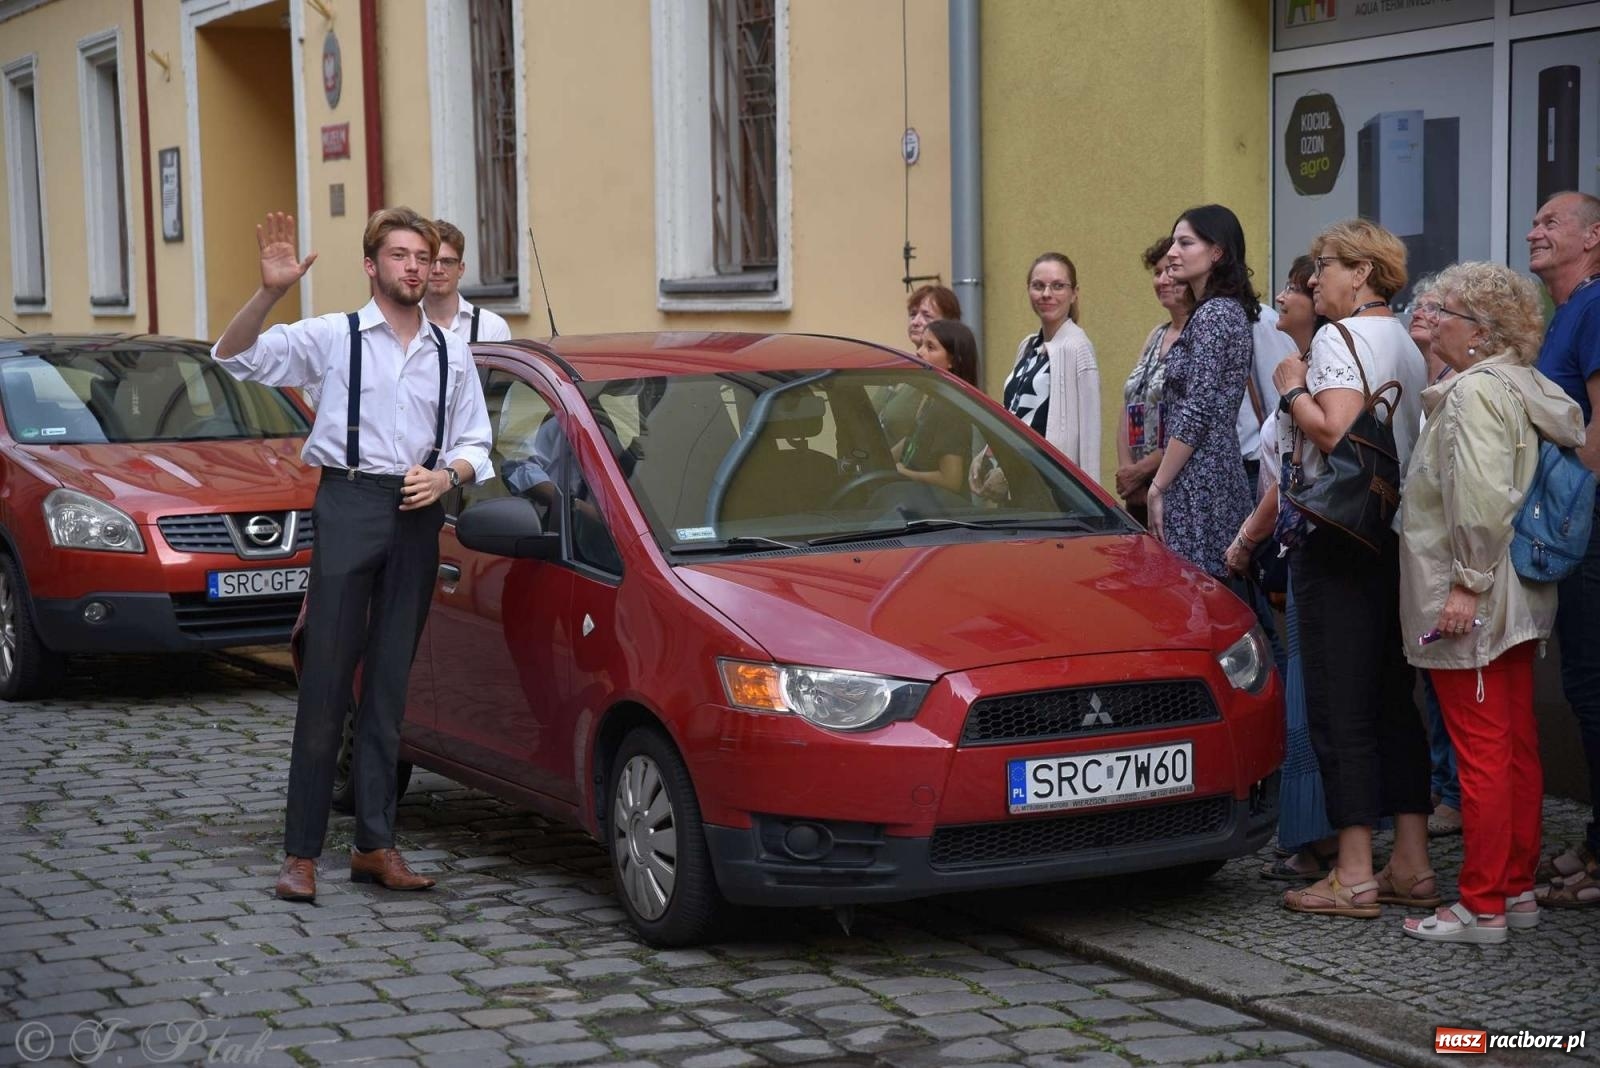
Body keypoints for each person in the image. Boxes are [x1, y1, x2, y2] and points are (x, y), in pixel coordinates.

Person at [213, 209, 492, 902]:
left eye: (422, 257)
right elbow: (235, 356)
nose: (412, 267)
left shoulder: (452, 350)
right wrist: (270, 291)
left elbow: (478, 442)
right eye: (398, 255)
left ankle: (375, 844)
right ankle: (300, 854)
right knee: (328, 684)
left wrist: (448, 476)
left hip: (417, 513)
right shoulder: (334, 337)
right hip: (347, 504)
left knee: (389, 686)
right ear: (373, 266)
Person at [1398, 261, 1584, 943]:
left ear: (1478, 331)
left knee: (1482, 754)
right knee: (1511, 747)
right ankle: (1513, 891)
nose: (1430, 318)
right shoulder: (1519, 385)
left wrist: (1464, 586)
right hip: (1517, 597)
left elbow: (1479, 501)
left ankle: (1480, 908)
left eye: (1441, 310)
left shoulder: (1475, 393)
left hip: (1476, 597)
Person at [1273, 218, 1431, 920]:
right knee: (1395, 701)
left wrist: (1288, 389)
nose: (1312, 278)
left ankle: (1356, 873)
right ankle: (1412, 863)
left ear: (1361, 272)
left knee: (1343, 704)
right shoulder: (1405, 340)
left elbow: (1334, 430)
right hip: (1395, 536)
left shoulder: (1337, 340)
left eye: (1325, 265)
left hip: (1340, 536)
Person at [1227, 255, 1337, 882]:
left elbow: (1293, 475)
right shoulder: (1298, 364)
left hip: (1311, 547)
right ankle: (1314, 834)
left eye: (1296, 288)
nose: (1287, 296)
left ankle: (1315, 838)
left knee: (1309, 695)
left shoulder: (1318, 368)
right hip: (1300, 547)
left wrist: (1245, 540)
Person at [1528, 191, 1600, 906]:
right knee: (1584, 684)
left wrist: (1572, 517)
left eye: (1551, 223)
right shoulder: (1564, 313)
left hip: (1587, 527)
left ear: (1593, 236)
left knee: (1592, 685)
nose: (1533, 231)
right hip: (1572, 526)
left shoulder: (1596, 305)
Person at [1147, 205, 1257, 581]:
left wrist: (1157, 485)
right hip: (1208, 472)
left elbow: (1197, 410)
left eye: (1185, 242)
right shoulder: (1216, 312)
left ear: (1217, 252)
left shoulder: (1214, 315)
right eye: (1173, 241)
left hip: (1201, 481)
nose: (1173, 252)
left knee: (1201, 599)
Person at [1406, 281, 1463, 840]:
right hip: (1423, 552)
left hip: (1454, 557)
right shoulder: (1426, 377)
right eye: (1418, 303)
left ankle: (1455, 794)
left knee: (1450, 674)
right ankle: (1444, 781)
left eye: (1436, 306)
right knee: (1432, 678)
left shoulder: (1458, 386)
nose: (1423, 312)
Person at [981, 253, 1100, 487]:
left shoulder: (1077, 347)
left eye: (1058, 286)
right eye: (1038, 286)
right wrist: (988, 455)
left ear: (1074, 293)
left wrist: (1090, 497)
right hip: (1017, 481)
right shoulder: (1028, 346)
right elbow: (1015, 411)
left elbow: (1090, 431)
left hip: (1053, 486)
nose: (1047, 294)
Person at [1116, 239, 1189, 525]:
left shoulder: (1196, 334)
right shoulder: (1155, 335)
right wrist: (1127, 471)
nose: (1162, 280)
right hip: (1138, 490)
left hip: (1172, 486)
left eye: (1169, 271)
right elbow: (1129, 402)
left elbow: (1190, 420)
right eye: (1157, 273)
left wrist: (1143, 470)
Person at [893, 319, 980, 495]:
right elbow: (911, 442)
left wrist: (903, 473)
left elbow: (951, 480)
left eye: (930, 347)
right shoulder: (932, 400)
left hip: (943, 511)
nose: (919, 352)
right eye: (921, 345)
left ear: (953, 361)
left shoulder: (950, 409)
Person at [884, 285, 962, 443]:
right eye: (913, 314)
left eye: (926, 316)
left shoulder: (946, 383)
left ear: (949, 324)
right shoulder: (904, 370)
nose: (916, 322)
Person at [424, 220, 513, 344]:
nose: (438, 270)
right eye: (431, 261)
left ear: (461, 269)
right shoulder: (402, 324)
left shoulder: (491, 328)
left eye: (447, 262)